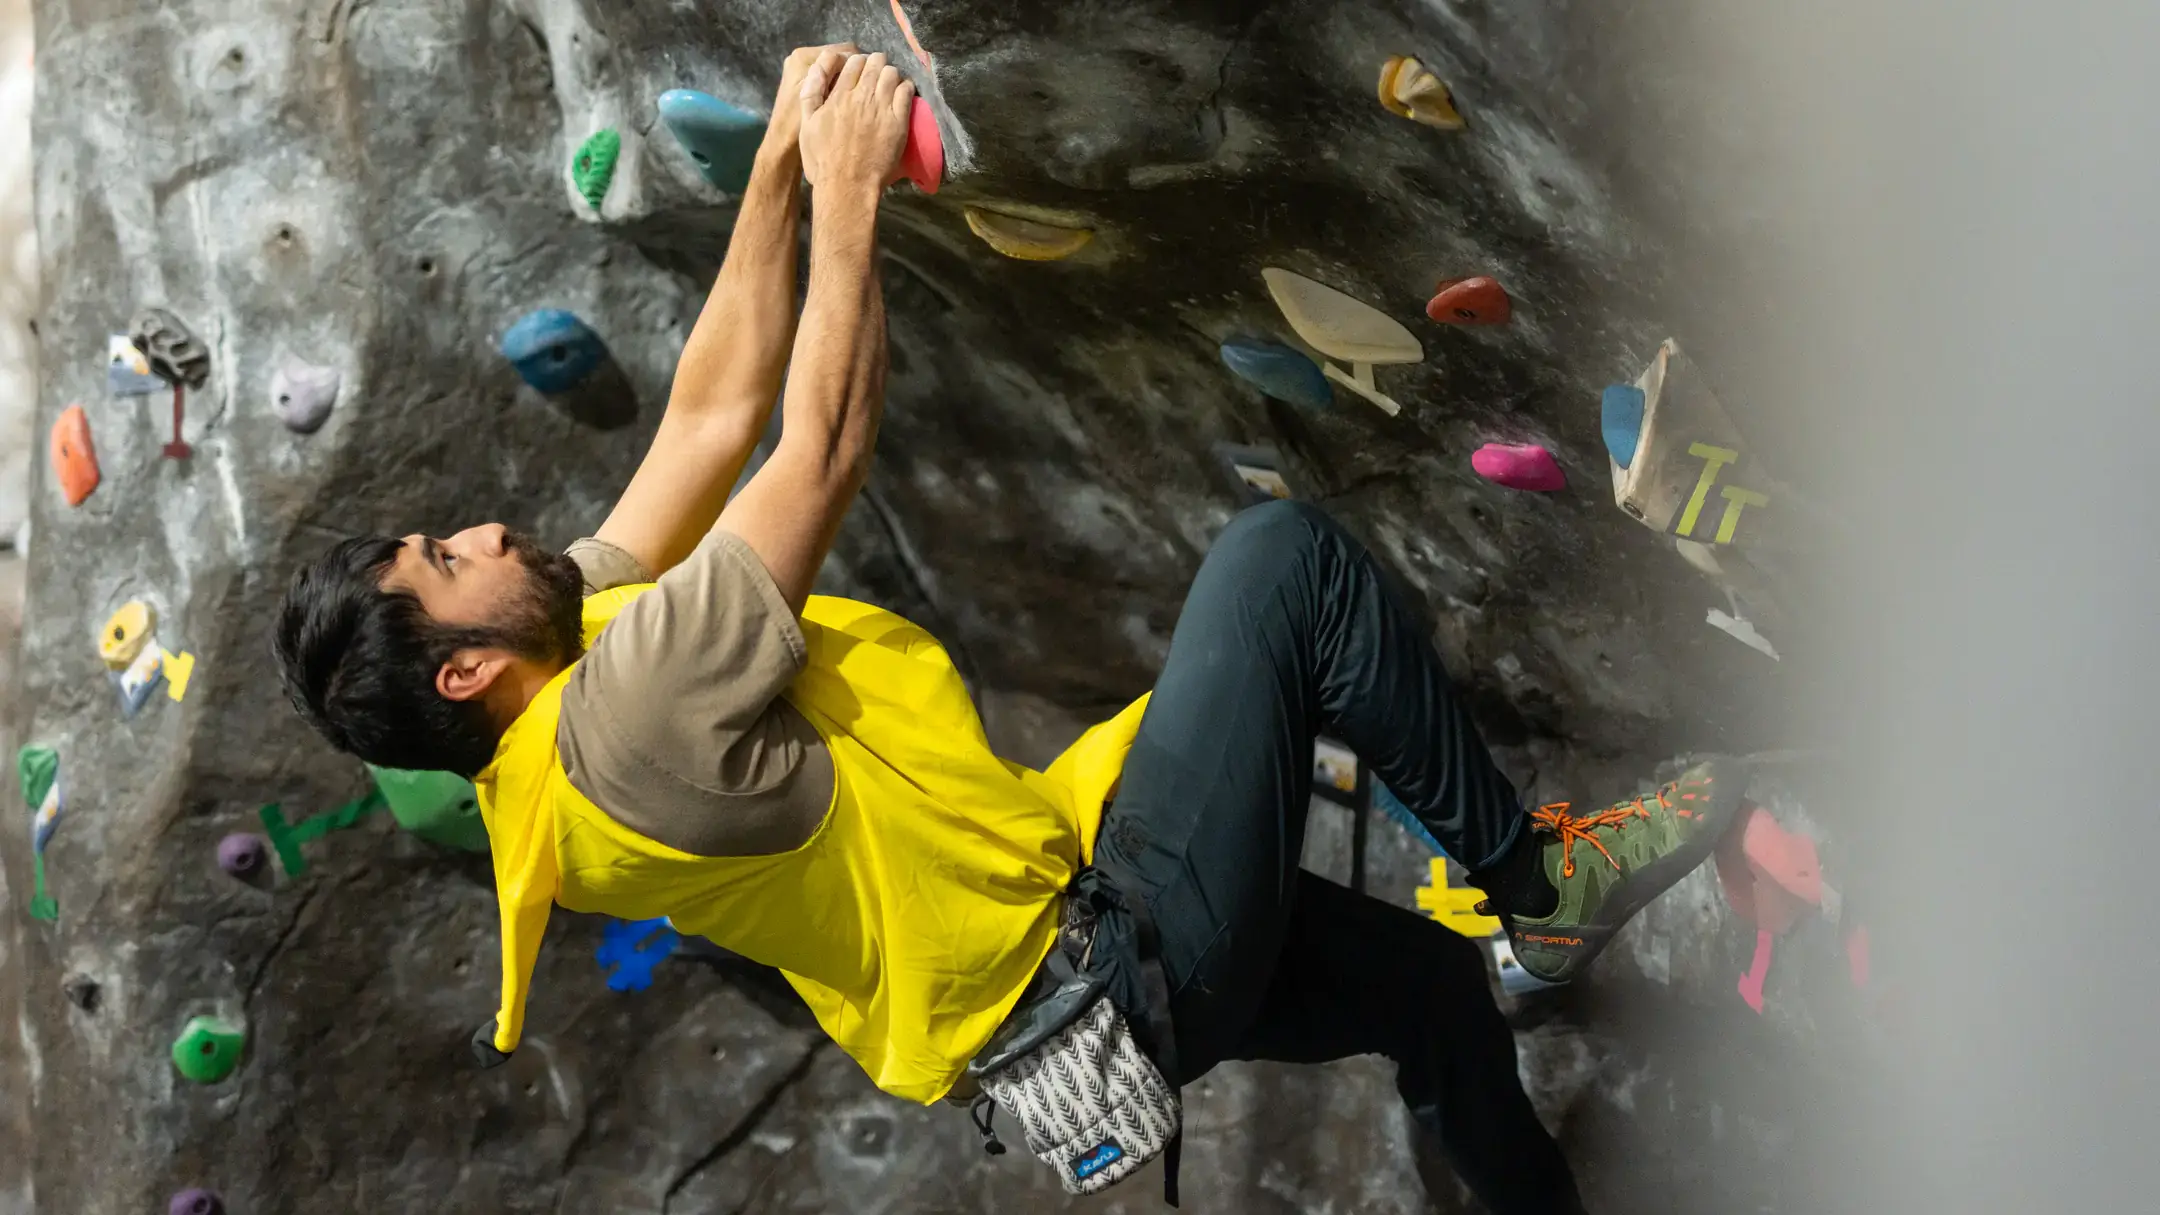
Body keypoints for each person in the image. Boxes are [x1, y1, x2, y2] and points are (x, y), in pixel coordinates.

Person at [273, 46, 1745, 1213]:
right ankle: (1540, 886)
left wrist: (780, 165)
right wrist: (851, 192)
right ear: (467, 666)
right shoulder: (624, 720)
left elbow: (711, 414)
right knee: (1283, 559)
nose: (485, 532)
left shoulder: (559, 709)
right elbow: (814, 446)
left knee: (1426, 992)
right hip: (1124, 955)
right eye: (447, 559)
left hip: (1075, 992)